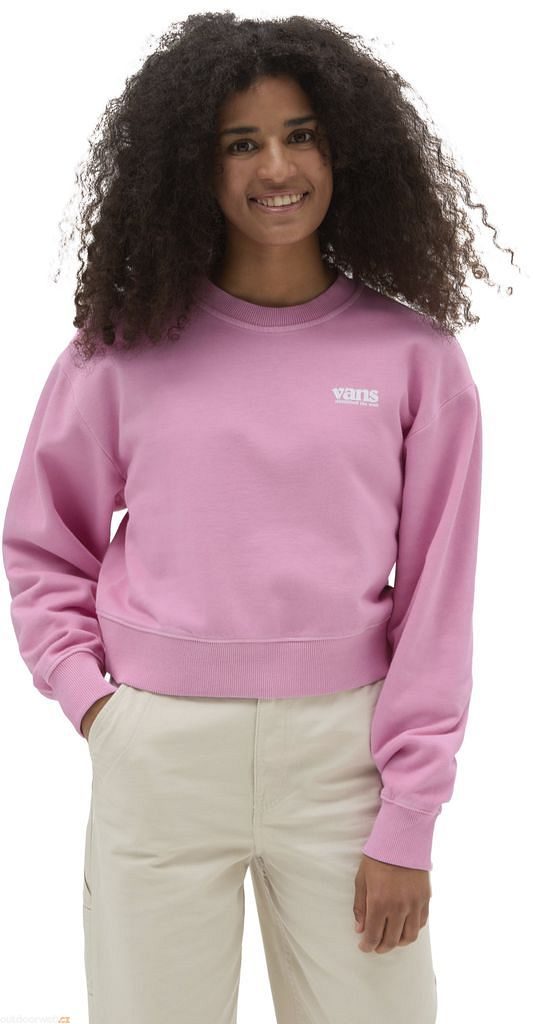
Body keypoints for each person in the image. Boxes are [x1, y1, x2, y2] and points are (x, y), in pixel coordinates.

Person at [4, 10, 514, 1023]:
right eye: (240, 142)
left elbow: (437, 601)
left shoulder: (414, 360)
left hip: (346, 761)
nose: (275, 167)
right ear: (192, 166)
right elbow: (42, 544)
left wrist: (409, 817)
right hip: (158, 750)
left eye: (300, 135)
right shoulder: (120, 350)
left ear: (344, 150)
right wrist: (95, 704)